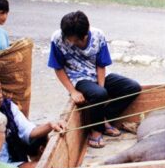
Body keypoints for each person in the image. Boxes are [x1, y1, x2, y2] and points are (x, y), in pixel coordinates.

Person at [48, 11, 141, 149]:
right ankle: (96, 131)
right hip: (77, 77)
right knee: (99, 94)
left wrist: (101, 86)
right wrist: (73, 91)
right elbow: (58, 68)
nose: (68, 40)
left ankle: (104, 119)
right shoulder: (58, 38)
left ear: (83, 36)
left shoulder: (98, 35)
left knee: (133, 87)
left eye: (72, 39)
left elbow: (101, 64)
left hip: (98, 74)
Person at [0, 72, 64, 168]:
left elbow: (28, 130)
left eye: (0, 89)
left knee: (46, 166)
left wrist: (50, 125)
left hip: (11, 163)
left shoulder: (8, 107)